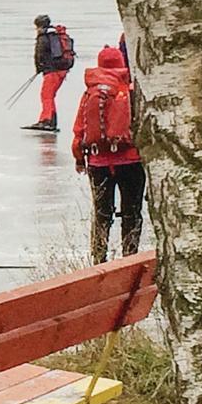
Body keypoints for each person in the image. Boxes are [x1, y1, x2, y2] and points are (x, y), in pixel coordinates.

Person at [71, 45, 144, 263]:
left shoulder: (91, 93)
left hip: (98, 162)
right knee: (132, 212)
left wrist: (79, 158)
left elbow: (79, 129)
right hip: (130, 161)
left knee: (101, 214)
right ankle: (129, 257)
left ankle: (98, 258)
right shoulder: (130, 90)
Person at [26, 14, 76, 131]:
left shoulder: (43, 37)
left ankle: (46, 120)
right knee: (50, 95)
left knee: (46, 95)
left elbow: (39, 54)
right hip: (62, 69)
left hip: (52, 71)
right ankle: (51, 120)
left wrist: (39, 68)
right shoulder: (56, 35)